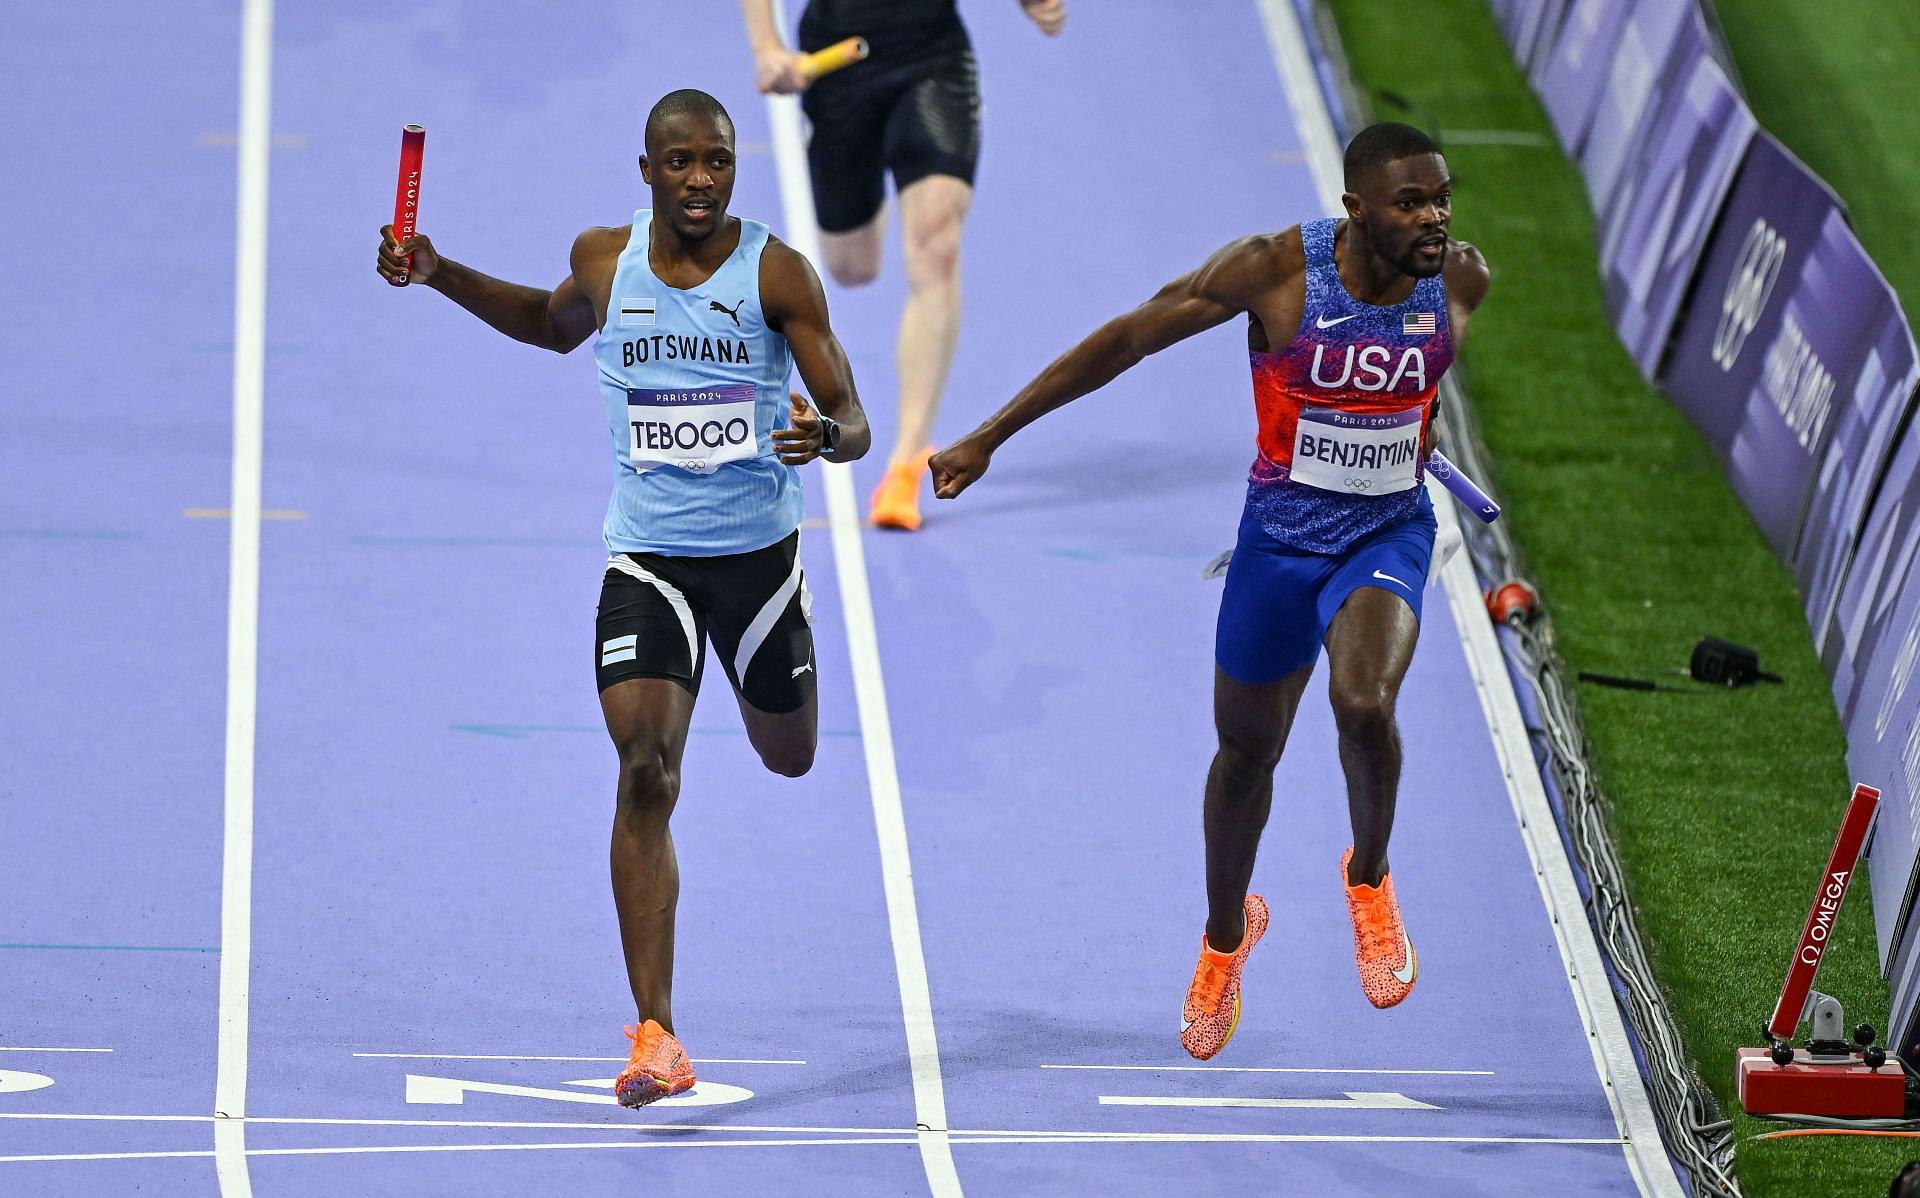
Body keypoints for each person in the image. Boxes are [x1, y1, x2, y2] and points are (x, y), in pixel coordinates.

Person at [929, 123, 1490, 1059]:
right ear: (1356, 210)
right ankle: (1226, 939)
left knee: (1363, 702)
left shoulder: (1459, 279)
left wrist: (1411, 434)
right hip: (1278, 541)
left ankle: (1370, 879)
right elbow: (1127, 339)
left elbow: (1420, 389)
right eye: (1410, 203)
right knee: (1244, 756)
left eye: (1441, 198)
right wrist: (992, 436)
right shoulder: (1273, 272)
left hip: (1386, 531)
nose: (1434, 219)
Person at [375, 89, 871, 1106]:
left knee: (790, 755)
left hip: (758, 567)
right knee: (646, 772)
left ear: (736, 169)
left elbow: (853, 415)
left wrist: (824, 436)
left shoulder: (776, 273)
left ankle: (764, 664)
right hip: (646, 561)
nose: (700, 181)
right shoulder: (608, 260)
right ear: (645, 171)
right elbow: (546, 324)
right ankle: (657, 1032)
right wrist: (437, 272)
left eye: (718, 164)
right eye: (680, 163)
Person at [740, 0, 1066, 530]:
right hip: (837, 58)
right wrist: (767, 47)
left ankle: (906, 462)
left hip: (930, 53)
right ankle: (891, 174)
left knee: (937, 244)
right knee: (852, 266)